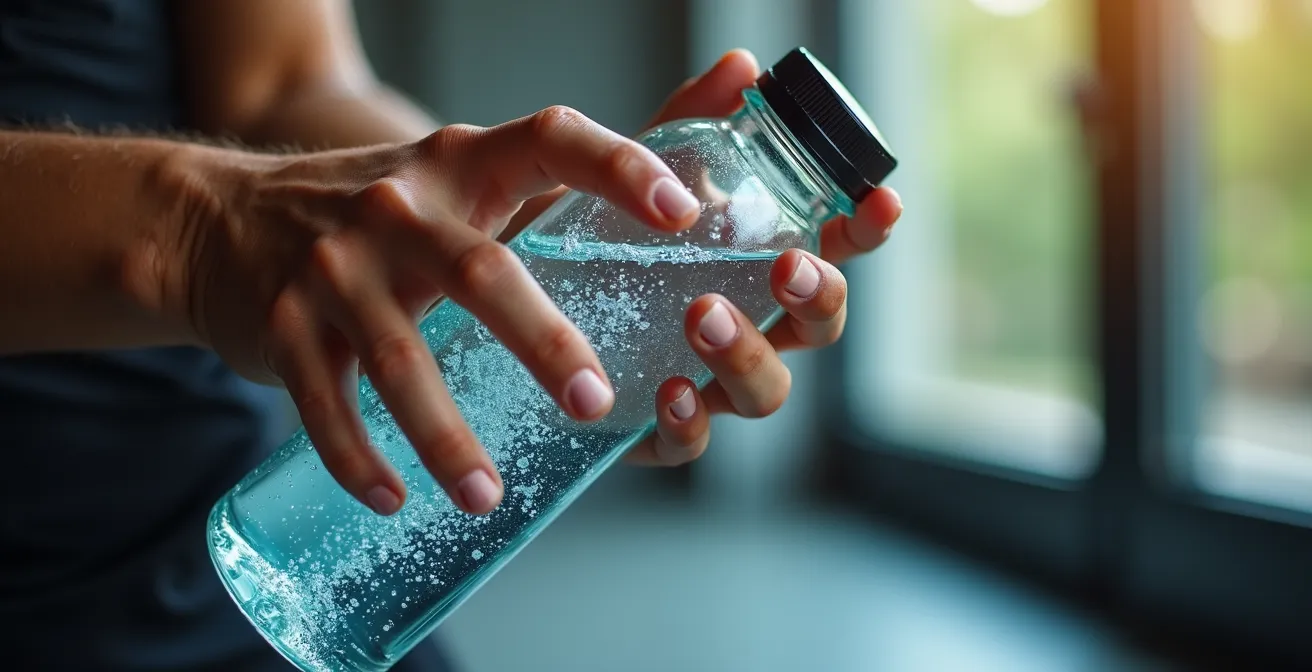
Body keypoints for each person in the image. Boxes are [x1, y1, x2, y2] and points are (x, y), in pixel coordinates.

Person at [0, 1, 903, 670]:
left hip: (194, 532)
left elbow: (289, 81)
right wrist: (194, 235)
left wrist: (497, 237)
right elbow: (224, 207)